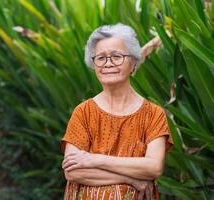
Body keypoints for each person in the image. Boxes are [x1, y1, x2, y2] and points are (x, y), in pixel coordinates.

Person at [61, 23, 174, 200]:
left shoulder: (154, 114)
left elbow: (153, 167)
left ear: (134, 63)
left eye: (117, 56)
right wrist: (131, 179)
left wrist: (96, 160)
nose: (108, 63)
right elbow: (74, 172)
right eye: (100, 58)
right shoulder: (83, 112)